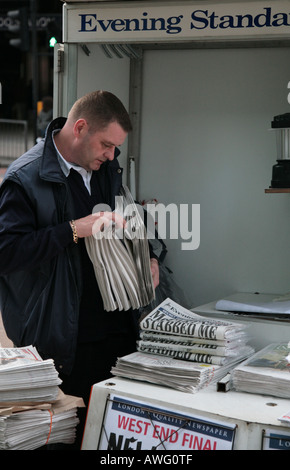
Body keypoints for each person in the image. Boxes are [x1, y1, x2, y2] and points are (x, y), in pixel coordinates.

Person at [0, 90, 159, 449]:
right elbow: (6, 252)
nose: (111, 154)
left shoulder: (106, 168)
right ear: (81, 128)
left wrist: (149, 257)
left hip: (118, 332)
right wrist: (74, 230)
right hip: (63, 342)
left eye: (116, 147)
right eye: (106, 144)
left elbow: (132, 220)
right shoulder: (25, 178)